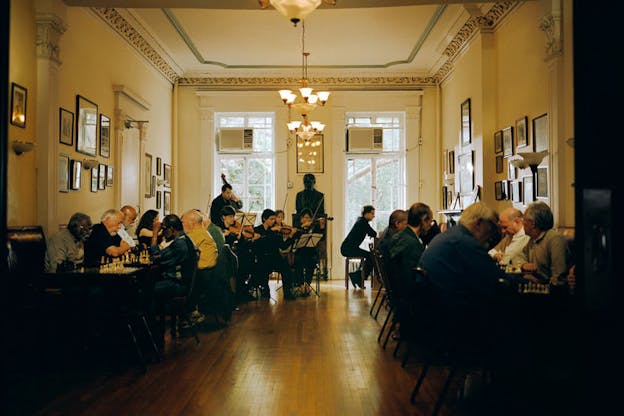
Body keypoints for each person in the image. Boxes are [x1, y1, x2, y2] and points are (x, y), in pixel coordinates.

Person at [418, 201, 503, 308]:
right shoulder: (465, 242)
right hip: (448, 313)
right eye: (491, 227)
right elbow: (495, 277)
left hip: (431, 308)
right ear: (479, 223)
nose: (491, 234)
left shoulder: (451, 236)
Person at [149, 214, 200, 329]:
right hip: (183, 283)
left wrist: (155, 234)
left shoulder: (179, 244)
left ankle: (150, 327)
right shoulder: (185, 239)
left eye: (164, 229)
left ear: (171, 229)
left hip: (177, 284)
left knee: (147, 290)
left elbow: (155, 256)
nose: (163, 231)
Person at [182, 210, 220, 322]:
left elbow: (183, 250)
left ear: (192, 223)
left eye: (183, 222)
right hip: (207, 273)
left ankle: (189, 313)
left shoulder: (196, 234)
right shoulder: (202, 232)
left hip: (202, 276)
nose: (182, 225)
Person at [387, 203, 433, 295]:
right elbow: (416, 275)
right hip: (409, 296)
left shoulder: (401, 236)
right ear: (423, 220)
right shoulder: (412, 243)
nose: (430, 225)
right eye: (430, 221)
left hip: (397, 290)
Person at [521, 201, 570, 285]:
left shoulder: (555, 239)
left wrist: (537, 283)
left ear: (532, 224)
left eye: (524, 220)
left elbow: (558, 278)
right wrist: (524, 265)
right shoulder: (532, 239)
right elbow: (520, 257)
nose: (522, 223)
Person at [252, 209, 296, 300]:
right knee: (262, 268)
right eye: (271, 219)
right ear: (264, 219)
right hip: (263, 258)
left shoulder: (276, 232)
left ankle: (287, 292)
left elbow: (283, 246)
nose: (273, 221)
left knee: (287, 269)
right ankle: (265, 290)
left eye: (274, 219)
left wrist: (291, 236)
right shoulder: (257, 229)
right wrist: (271, 231)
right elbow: (260, 241)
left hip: (275, 257)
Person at [340, 205, 377, 289]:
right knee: (371, 256)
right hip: (348, 249)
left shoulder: (361, 221)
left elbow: (371, 233)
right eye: (372, 213)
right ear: (366, 214)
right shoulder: (363, 222)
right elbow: (373, 233)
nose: (374, 216)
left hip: (349, 248)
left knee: (369, 256)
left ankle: (357, 276)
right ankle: (358, 277)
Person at [293, 208, 326, 296]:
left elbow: (321, 238)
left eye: (308, 218)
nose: (306, 220)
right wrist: (303, 228)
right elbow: (295, 237)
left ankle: (307, 284)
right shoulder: (297, 227)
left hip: (311, 252)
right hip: (300, 252)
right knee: (298, 261)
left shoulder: (314, 228)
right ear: (301, 219)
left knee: (311, 261)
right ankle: (301, 285)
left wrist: (322, 228)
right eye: (304, 217)